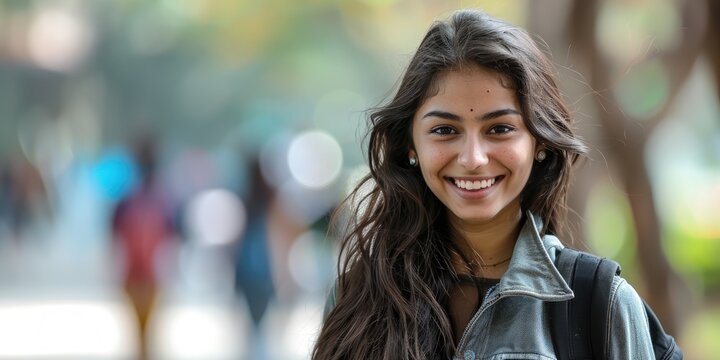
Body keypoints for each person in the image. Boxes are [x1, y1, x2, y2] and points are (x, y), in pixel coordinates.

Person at [313, 9, 655, 360]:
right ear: (411, 146)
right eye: (445, 130)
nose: (473, 158)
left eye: (499, 129)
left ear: (538, 142)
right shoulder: (357, 296)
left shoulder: (602, 304)